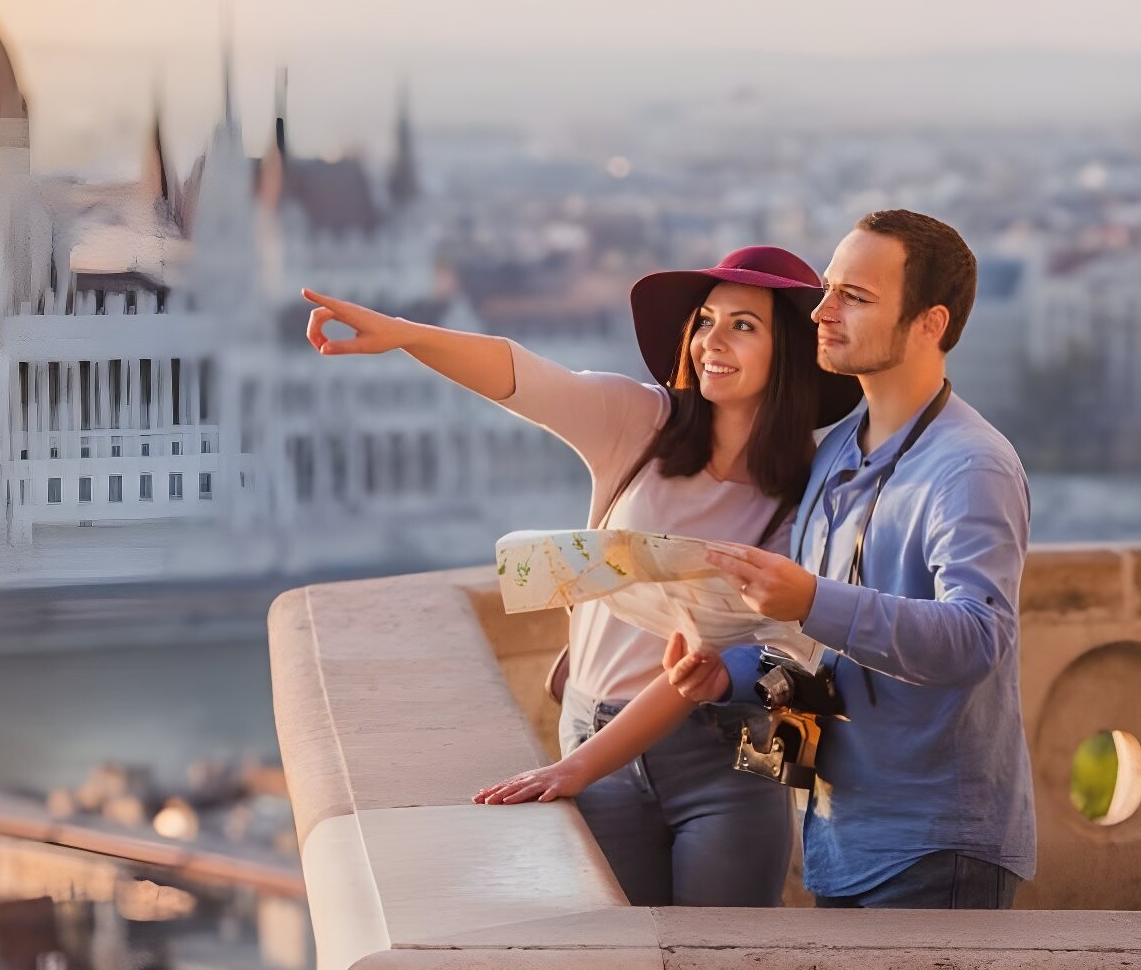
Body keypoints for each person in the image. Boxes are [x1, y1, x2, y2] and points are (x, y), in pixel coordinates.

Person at [301, 246, 859, 908]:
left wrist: (575, 769)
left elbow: (712, 665)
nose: (712, 340)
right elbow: (522, 376)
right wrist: (404, 334)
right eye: (706, 319)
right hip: (595, 730)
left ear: (790, 352)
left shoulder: (808, 493)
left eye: (744, 325)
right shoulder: (640, 421)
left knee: (720, 954)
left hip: (729, 752)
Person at [672, 210, 1035, 909]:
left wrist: (810, 599)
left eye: (855, 298)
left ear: (930, 324)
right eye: (830, 288)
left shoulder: (971, 466)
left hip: (936, 846)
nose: (822, 311)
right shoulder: (838, 447)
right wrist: (730, 671)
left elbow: (978, 638)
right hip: (839, 835)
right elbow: (816, 643)